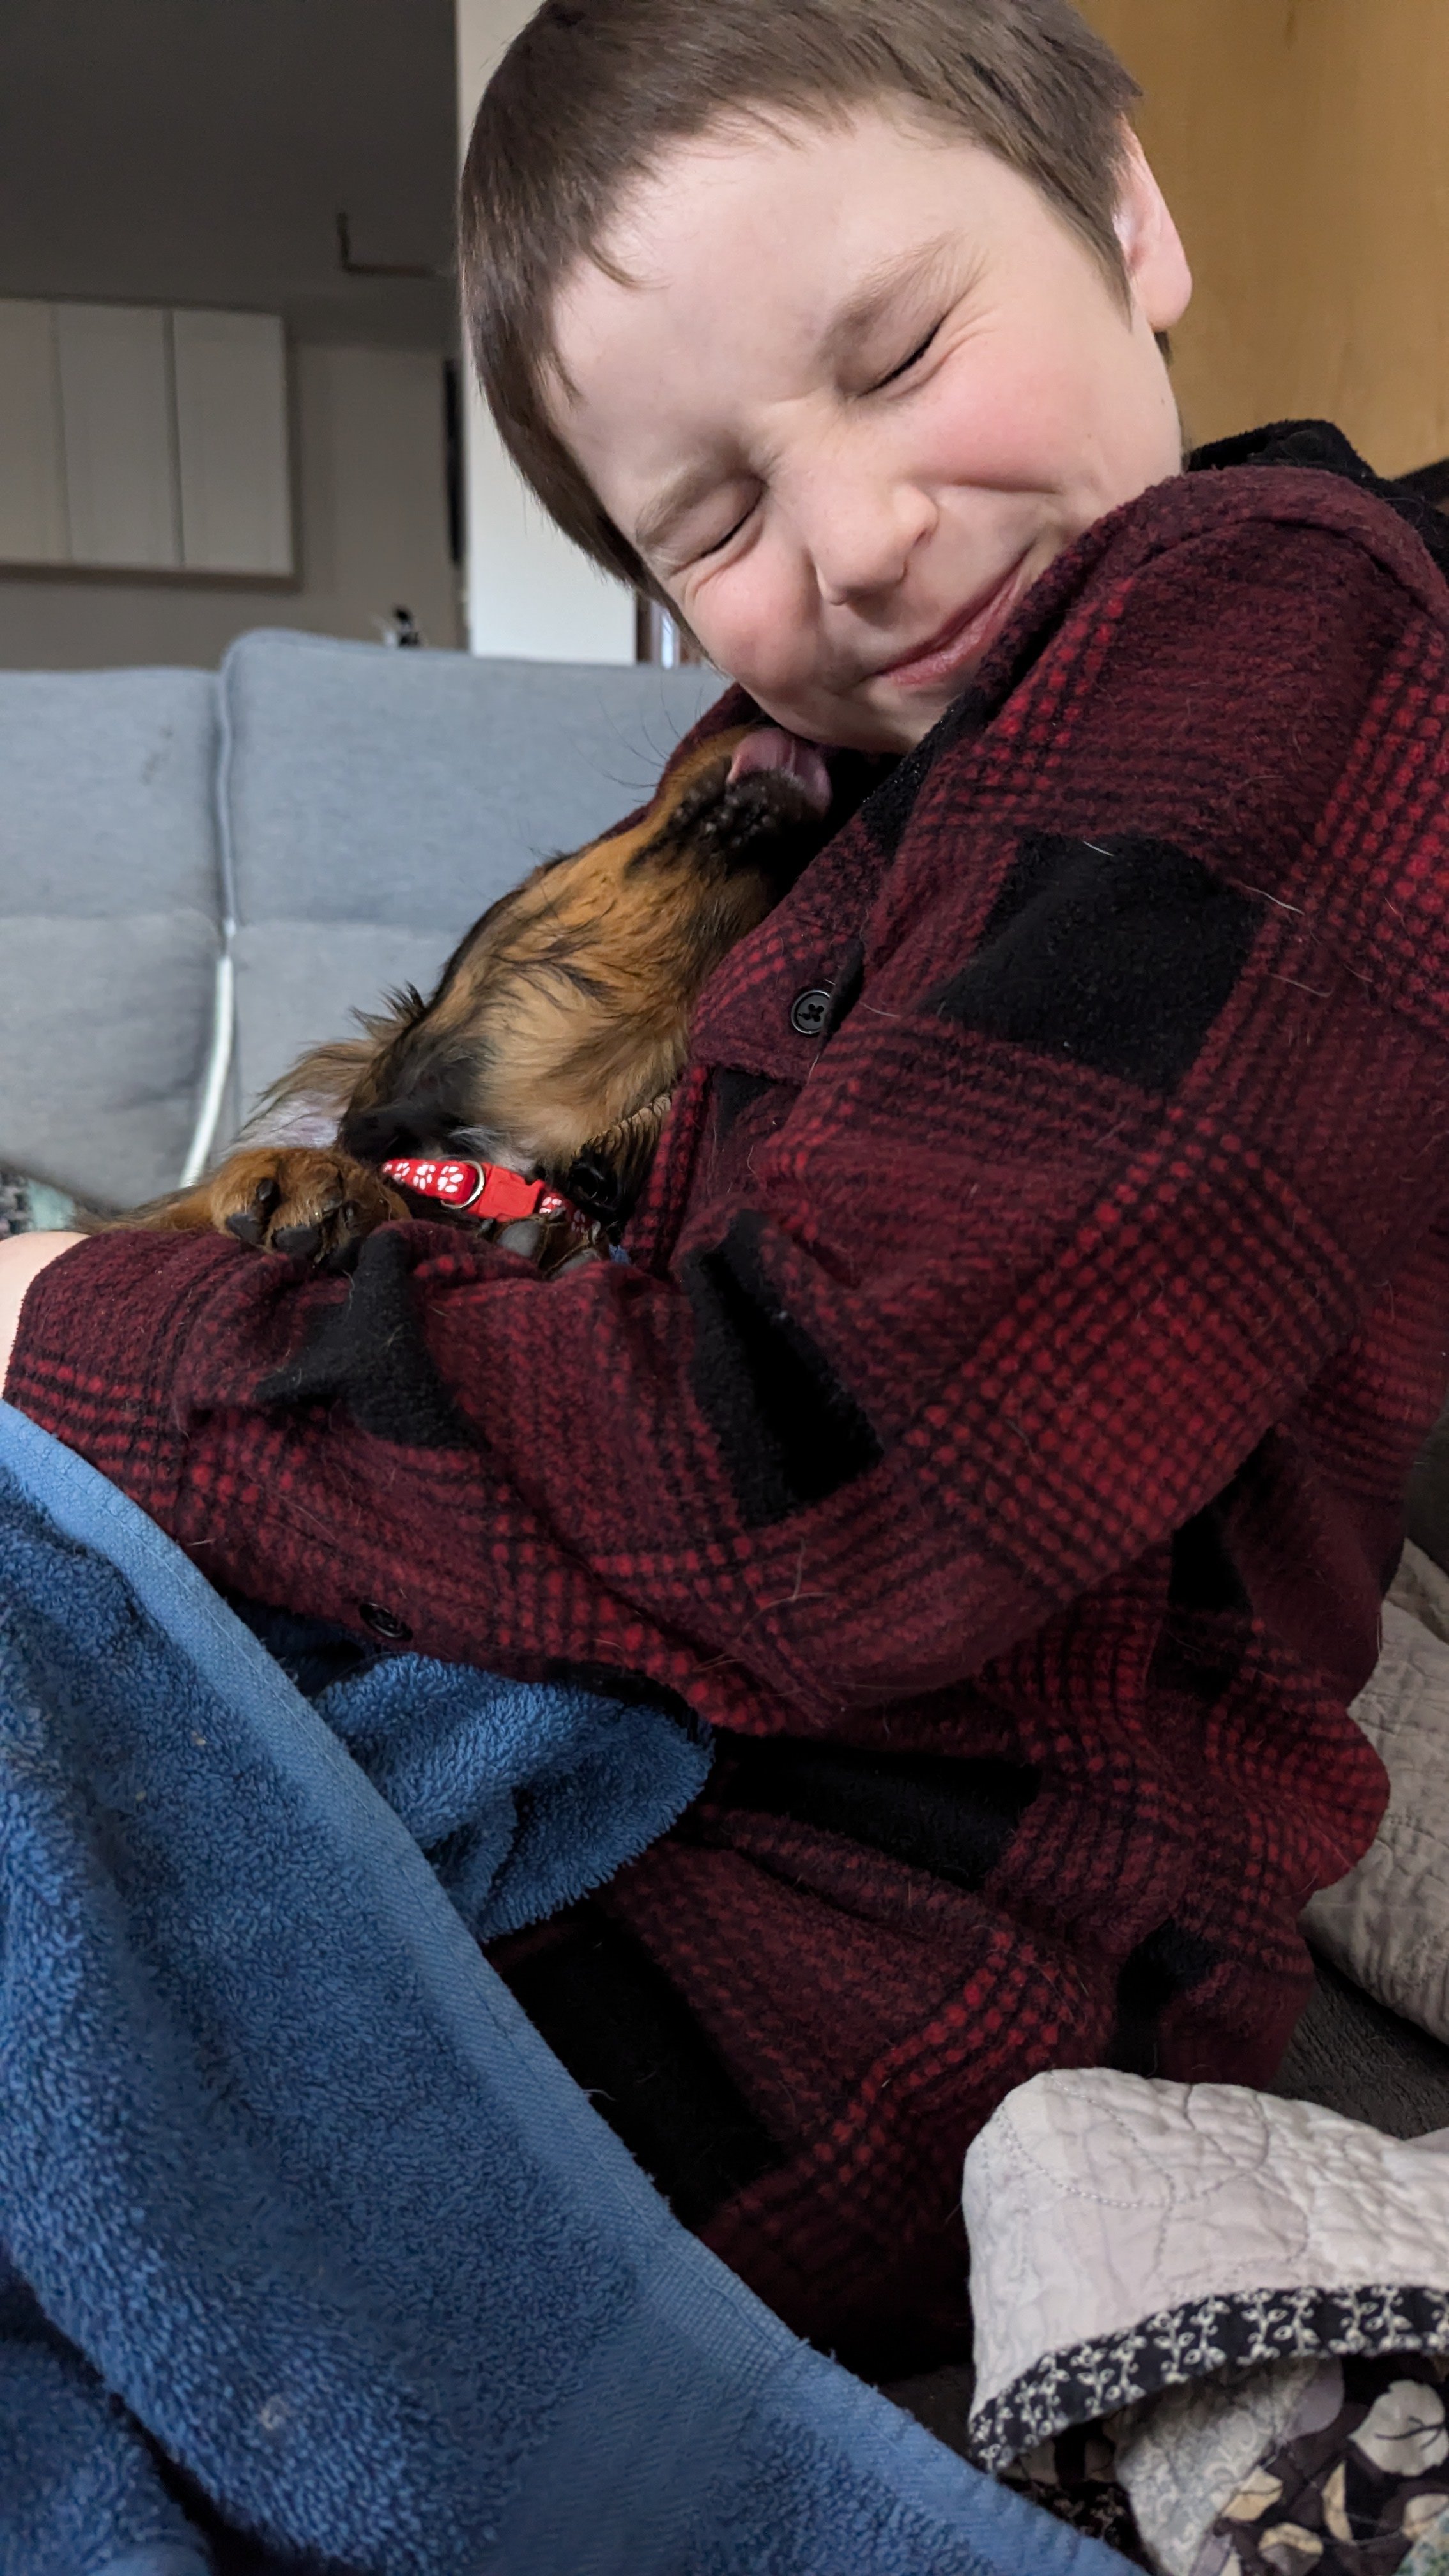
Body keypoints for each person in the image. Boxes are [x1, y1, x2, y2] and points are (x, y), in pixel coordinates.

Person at [6, 0, 1449, 2379]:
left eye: (896, 351)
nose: (863, 538)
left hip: (877, 1962)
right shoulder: (820, 772)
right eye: (714, 521)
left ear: (1125, 217)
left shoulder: (1279, 602)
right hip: (635, 1773)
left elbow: (825, 1490)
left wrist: (70, 1318)